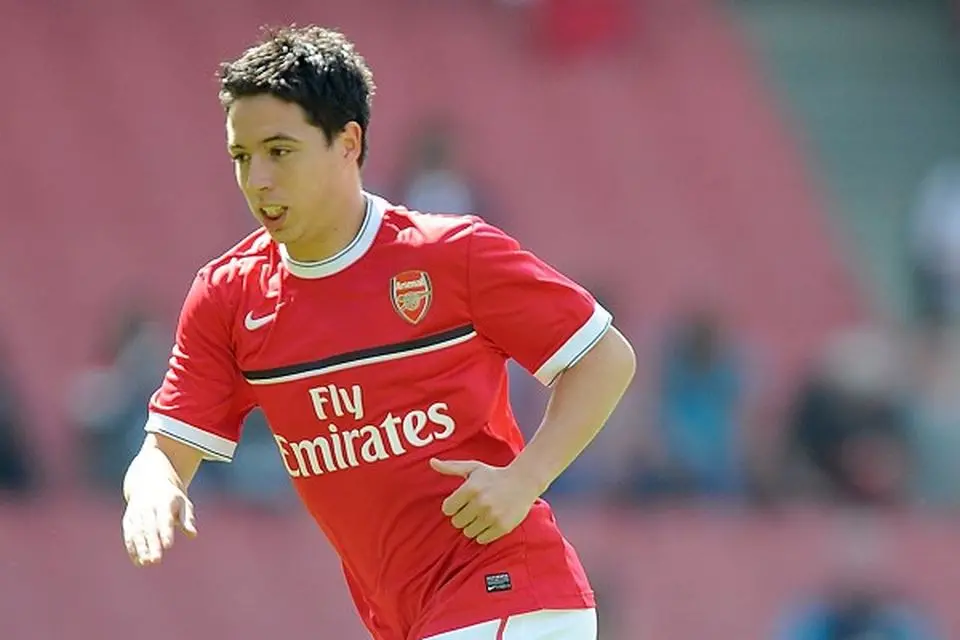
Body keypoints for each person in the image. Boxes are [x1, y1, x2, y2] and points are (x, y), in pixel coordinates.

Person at [120, 25, 636, 640]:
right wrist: (152, 489)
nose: (257, 179)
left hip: (510, 593)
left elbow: (605, 357)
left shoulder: (451, 255)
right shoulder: (228, 297)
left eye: (279, 151)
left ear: (347, 143)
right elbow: (164, 450)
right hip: (411, 618)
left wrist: (526, 478)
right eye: (241, 156)